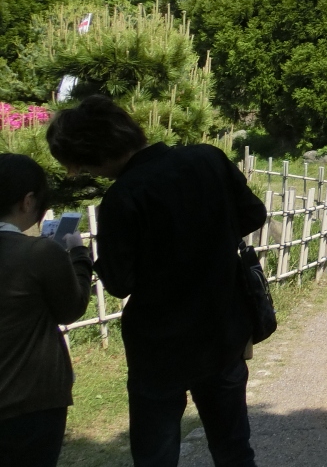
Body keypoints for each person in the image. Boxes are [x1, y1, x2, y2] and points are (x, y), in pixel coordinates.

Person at [46, 95, 267, 467]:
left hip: (160, 345)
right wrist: (211, 244)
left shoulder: (124, 196)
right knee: (233, 447)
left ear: (95, 154)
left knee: (156, 454)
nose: (89, 173)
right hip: (222, 328)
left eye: (84, 165)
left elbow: (118, 282)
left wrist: (84, 255)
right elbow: (254, 214)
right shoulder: (207, 158)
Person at [0, 154, 93, 467]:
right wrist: (78, 254)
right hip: (31, 400)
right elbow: (72, 307)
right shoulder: (39, 251)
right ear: (28, 201)